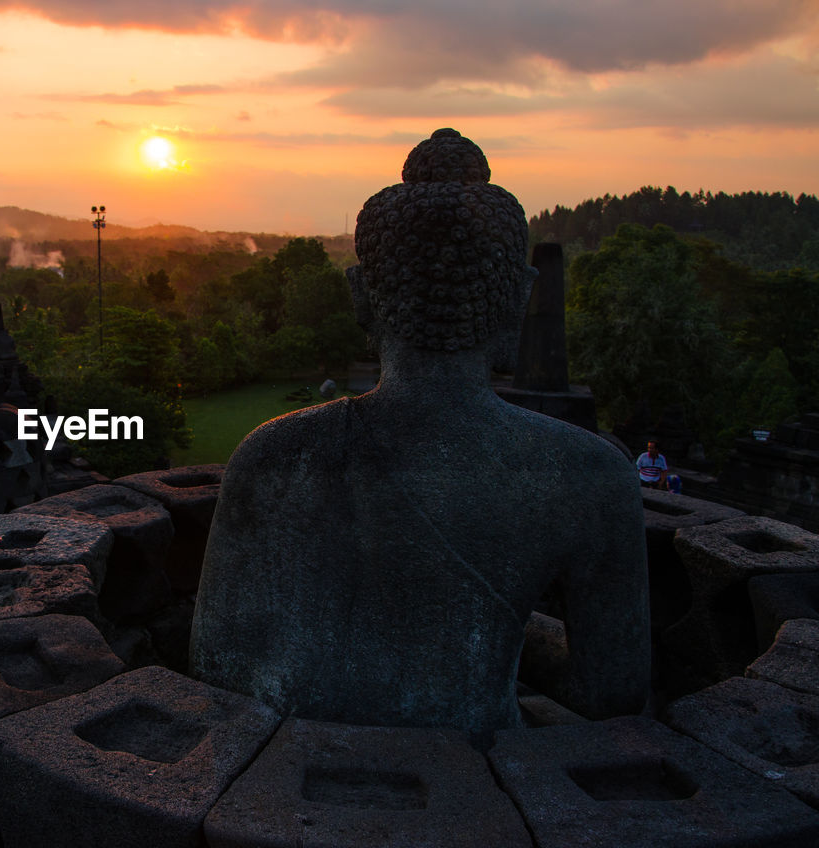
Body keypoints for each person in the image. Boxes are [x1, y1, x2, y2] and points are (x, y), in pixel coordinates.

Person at [189, 129, 650, 743]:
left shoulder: (272, 456)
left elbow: (218, 669)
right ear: (519, 298)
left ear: (361, 296)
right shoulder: (591, 474)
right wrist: (497, 623)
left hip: (295, 789)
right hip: (478, 795)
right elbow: (610, 692)